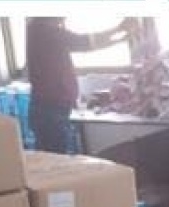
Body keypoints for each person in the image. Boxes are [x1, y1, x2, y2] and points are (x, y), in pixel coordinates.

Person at [26, 18, 134, 153]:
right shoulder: (45, 31)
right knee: (56, 159)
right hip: (50, 110)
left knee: (54, 156)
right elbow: (84, 42)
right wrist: (119, 29)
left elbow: (84, 43)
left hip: (51, 108)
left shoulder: (41, 30)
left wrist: (120, 37)